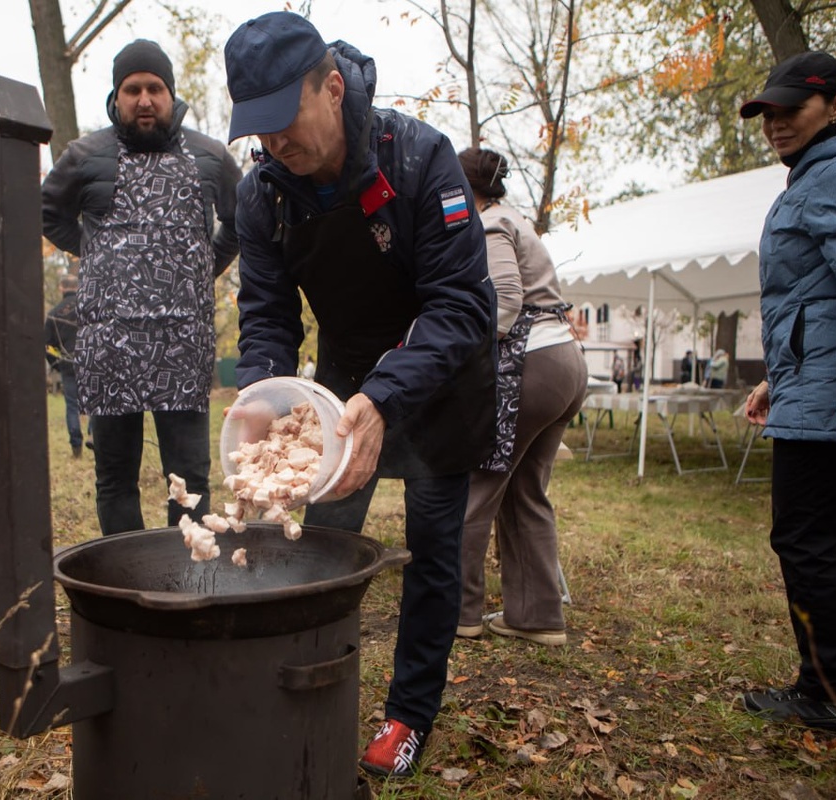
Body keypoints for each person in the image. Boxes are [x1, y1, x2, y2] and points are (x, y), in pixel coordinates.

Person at [224, 12, 498, 778]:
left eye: (284, 121)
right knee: (320, 533)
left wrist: (384, 396)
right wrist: (265, 396)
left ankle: (409, 715)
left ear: (332, 88)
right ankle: (305, 676)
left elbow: (461, 305)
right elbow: (269, 313)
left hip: (440, 374)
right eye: (259, 130)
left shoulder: (419, 159)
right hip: (345, 375)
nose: (274, 143)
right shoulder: (264, 195)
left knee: (433, 551)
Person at [739, 51, 836, 737]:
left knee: (804, 538)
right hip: (821, 385)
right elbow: (819, 297)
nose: (775, 124)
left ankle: (825, 692)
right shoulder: (823, 172)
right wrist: (785, 375)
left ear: (834, 105)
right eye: (767, 113)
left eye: (789, 109)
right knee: (834, 537)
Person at [41, 39, 240, 534]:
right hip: (110, 344)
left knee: (190, 476)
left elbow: (241, 221)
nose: (145, 99)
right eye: (133, 89)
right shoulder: (84, 155)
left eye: (155, 88)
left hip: (182, 343)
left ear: (171, 94)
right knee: (114, 476)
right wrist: (97, 253)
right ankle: (123, 579)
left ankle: (191, 576)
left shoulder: (212, 157)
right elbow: (46, 213)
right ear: (117, 96)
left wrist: (203, 266)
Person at [454, 148, 587, 646]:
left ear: (469, 189)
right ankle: (537, 618)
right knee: (527, 491)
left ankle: (461, 613)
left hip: (530, 363)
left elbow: (506, 301)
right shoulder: (515, 219)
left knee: (476, 489)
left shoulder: (489, 225)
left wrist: (465, 359)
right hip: (564, 362)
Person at [44, 274, 83, 458]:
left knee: (72, 406)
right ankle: (94, 437)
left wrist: (57, 364)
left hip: (68, 364)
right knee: (97, 404)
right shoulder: (88, 307)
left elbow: (46, 346)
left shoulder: (53, 314)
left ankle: (76, 447)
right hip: (91, 362)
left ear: (61, 288)